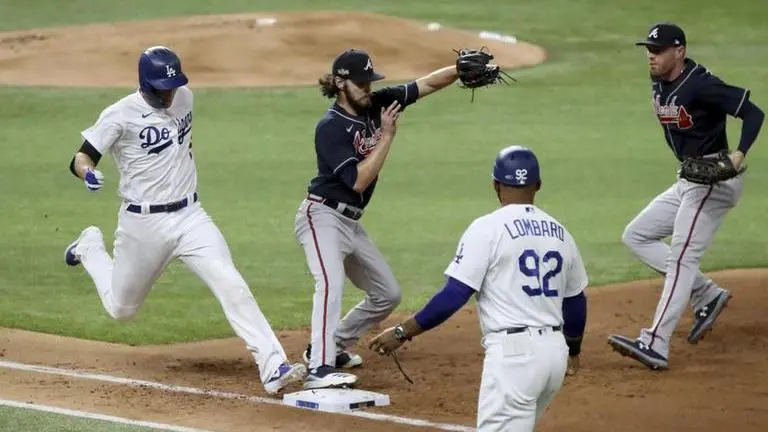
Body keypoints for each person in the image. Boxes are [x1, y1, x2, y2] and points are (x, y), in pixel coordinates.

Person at [64, 46, 306, 395]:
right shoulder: (119, 115)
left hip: (191, 216)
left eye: (173, 85)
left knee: (230, 281)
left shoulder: (185, 98)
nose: (170, 93)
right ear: (144, 84)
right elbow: (82, 155)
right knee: (121, 310)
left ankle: (273, 366)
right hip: (142, 225)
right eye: (163, 87)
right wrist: (87, 173)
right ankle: (90, 248)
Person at [294, 48, 494, 390]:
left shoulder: (377, 103)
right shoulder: (329, 128)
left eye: (369, 82)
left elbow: (424, 86)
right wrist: (386, 136)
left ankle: (332, 345)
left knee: (387, 293)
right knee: (329, 284)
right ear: (340, 83)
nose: (367, 89)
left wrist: (458, 71)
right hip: (321, 216)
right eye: (360, 83)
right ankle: (319, 368)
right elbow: (358, 181)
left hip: (351, 222)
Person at [369, 145, 589, 432]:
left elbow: (454, 294)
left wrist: (402, 332)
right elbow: (575, 302)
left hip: (515, 358)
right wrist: (573, 350)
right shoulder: (561, 232)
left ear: (495, 185)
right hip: (554, 357)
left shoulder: (487, 228)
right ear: (538, 185)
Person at [608, 23, 764, 370]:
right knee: (637, 235)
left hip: (714, 180)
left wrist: (738, 154)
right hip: (689, 177)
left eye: (659, 50)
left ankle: (656, 343)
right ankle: (707, 294)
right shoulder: (659, 79)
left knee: (681, 258)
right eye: (649, 49)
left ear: (679, 51)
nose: (652, 55)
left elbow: (754, 113)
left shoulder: (701, 84)